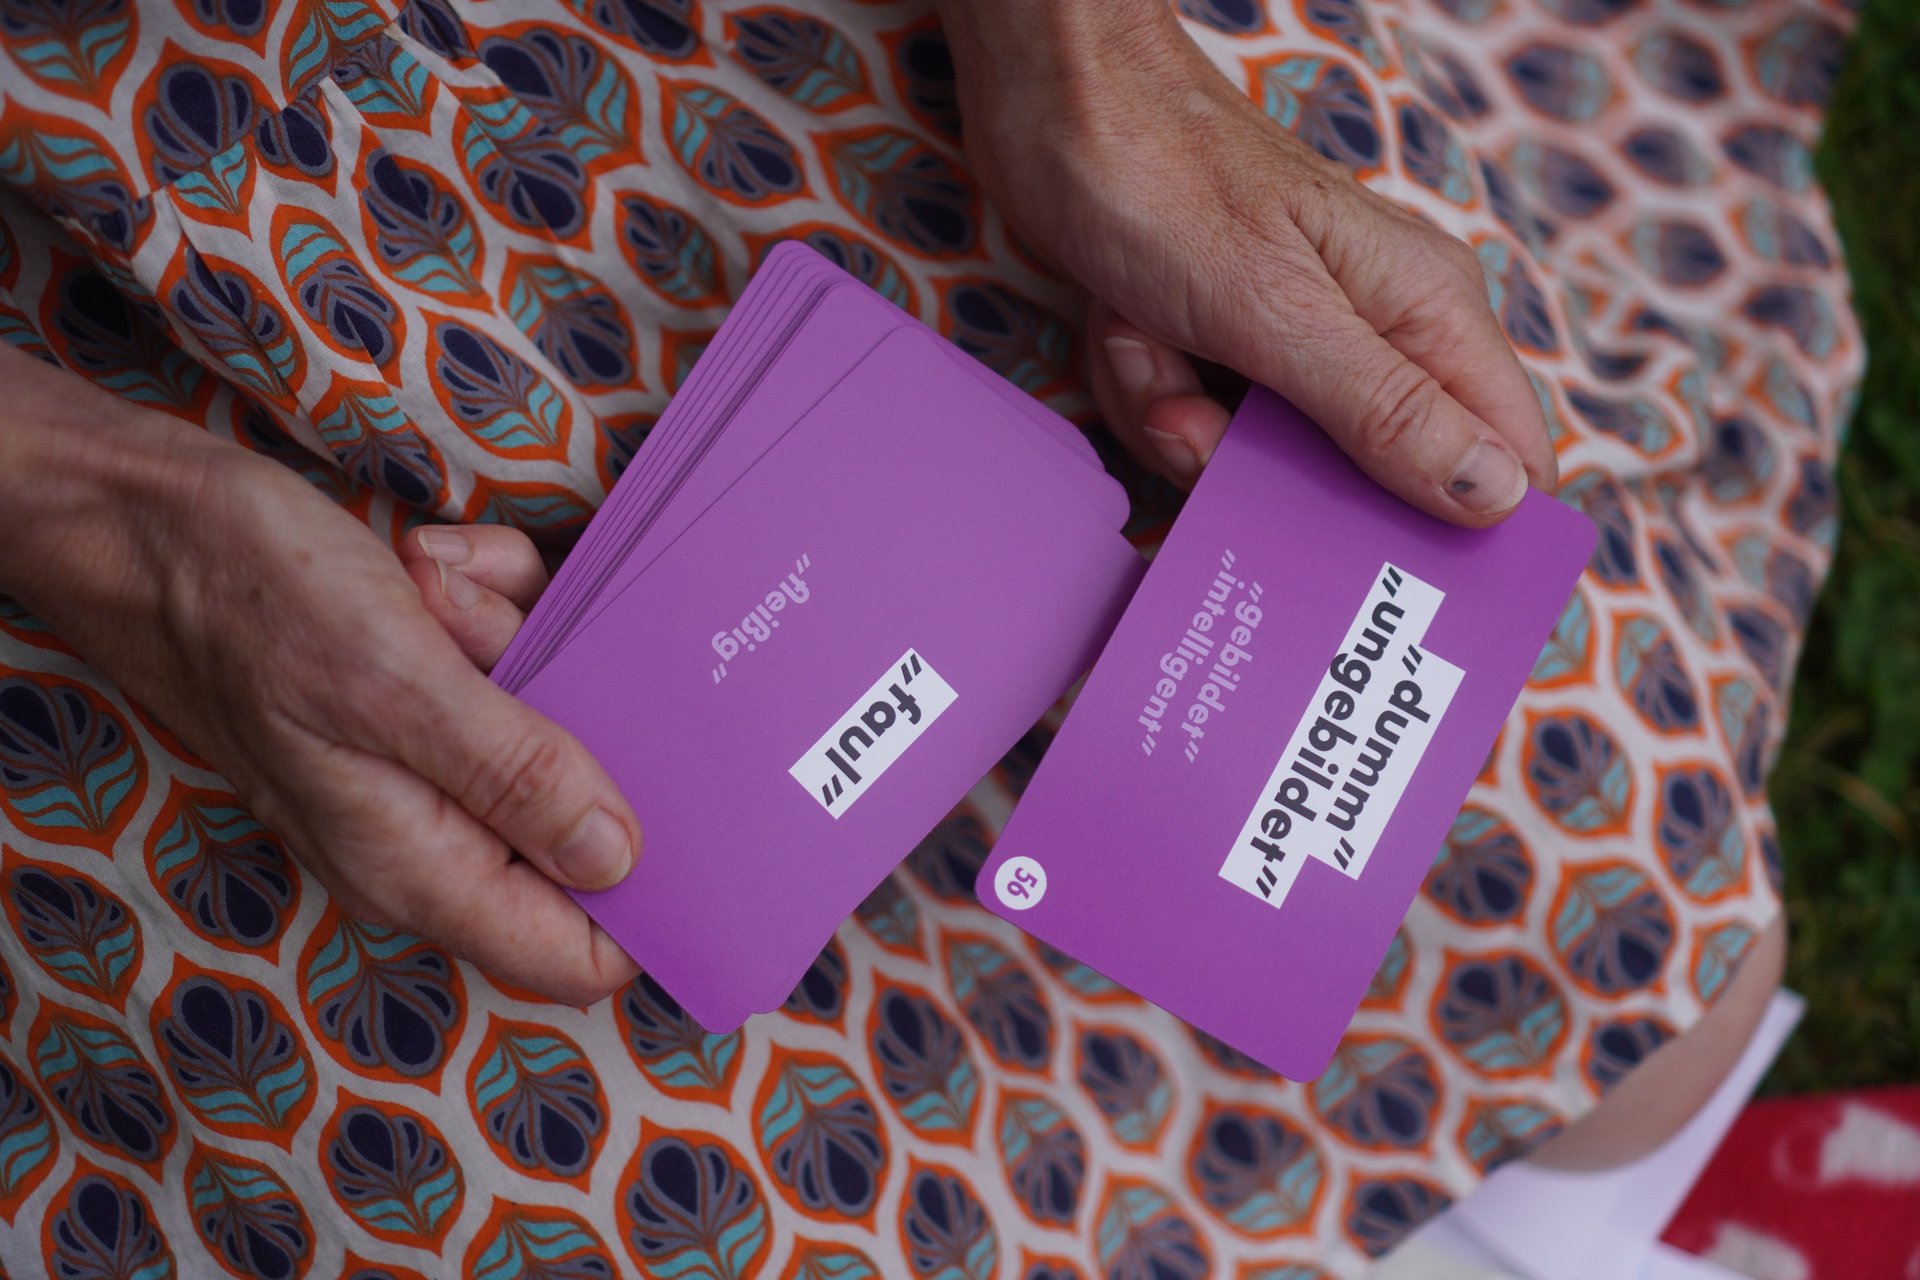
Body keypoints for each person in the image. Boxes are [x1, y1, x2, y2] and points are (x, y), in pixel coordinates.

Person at [0, 0, 1851, 1275]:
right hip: (103, 365)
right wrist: (110, 528)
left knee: (1606, 904)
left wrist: (1087, 63)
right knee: (608, 1183)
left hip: (734, 80)